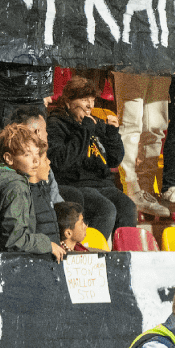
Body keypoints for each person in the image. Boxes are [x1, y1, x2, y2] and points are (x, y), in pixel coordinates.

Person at [47, 77, 138, 238]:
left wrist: (112, 134)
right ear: (68, 102)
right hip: (75, 184)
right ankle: (90, 252)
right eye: (84, 99)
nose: (90, 105)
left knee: (127, 206)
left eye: (92, 100)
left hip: (103, 184)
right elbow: (61, 160)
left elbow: (114, 159)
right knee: (105, 208)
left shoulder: (94, 123)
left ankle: (123, 255)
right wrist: (84, 131)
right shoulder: (55, 124)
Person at [0, 123, 62, 258]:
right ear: (8, 158)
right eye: (27, 154)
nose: (36, 161)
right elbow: (15, 240)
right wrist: (47, 244)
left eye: (37, 154)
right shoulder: (16, 187)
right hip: (2, 263)